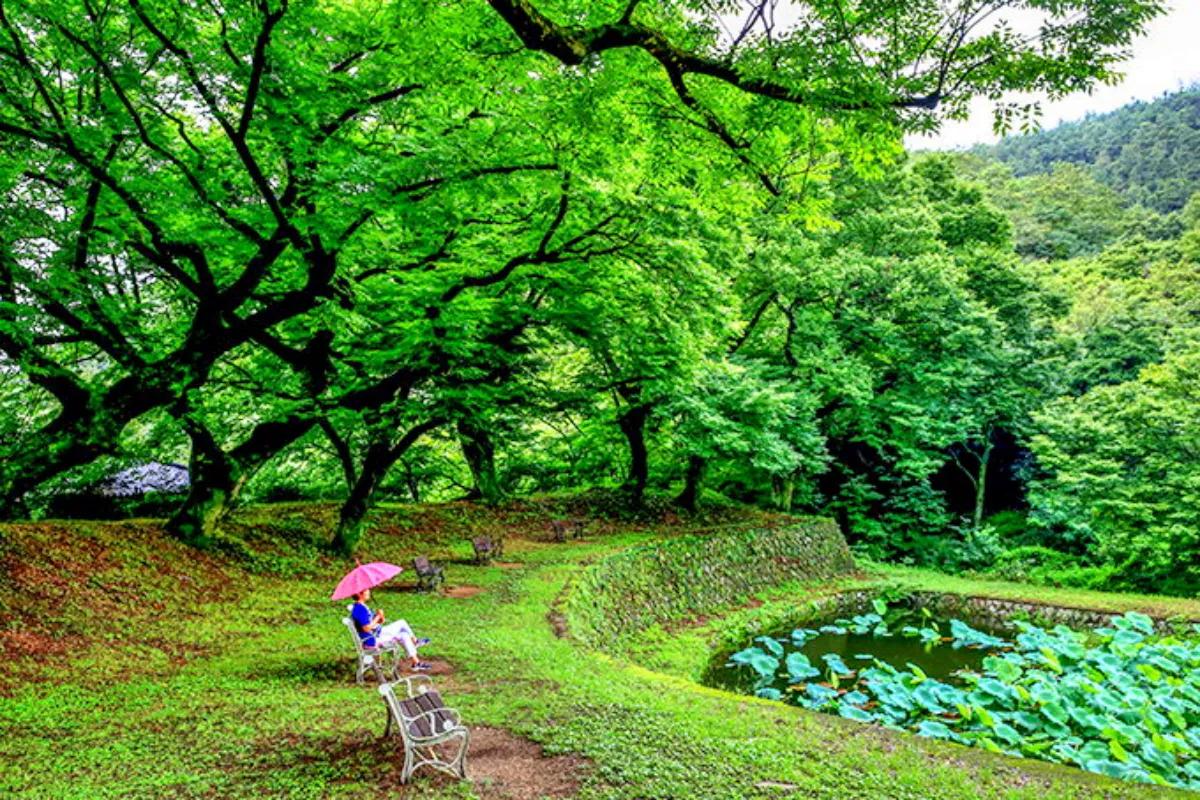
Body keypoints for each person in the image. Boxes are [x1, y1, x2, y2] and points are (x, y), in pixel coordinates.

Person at [350, 587, 431, 671]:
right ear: (360, 594)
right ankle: (415, 641)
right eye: (366, 590)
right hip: (373, 640)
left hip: (378, 634)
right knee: (402, 623)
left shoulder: (363, 607)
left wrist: (381, 617)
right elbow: (366, 628)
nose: (369, 592)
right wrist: (377, 617)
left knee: (404, 635)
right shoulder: (359, 609)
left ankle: (416, 663)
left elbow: (377, 622)